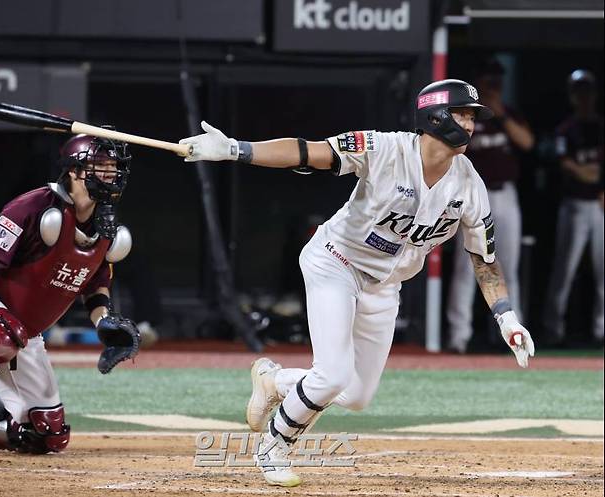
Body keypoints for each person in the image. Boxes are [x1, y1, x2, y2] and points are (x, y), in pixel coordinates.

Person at [179, 78, 536, 487]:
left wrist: (507, 318)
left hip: (385, 286)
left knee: (356, 396)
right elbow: (309, 151)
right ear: (435, 115)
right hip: (336, 262)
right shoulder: (383, 148)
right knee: (331, 376)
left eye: (474, 117)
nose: (471, 125)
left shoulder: (469, 183)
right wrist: (234, 149)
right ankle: (275, 446)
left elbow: (484, 260)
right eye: (464, 114)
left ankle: (274, 381)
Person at [0, 133, 140, 453]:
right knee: (1, 337)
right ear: (75, 172)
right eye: (100, 166)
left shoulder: (106, 228)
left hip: (26, 332)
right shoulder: (34, 207)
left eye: (112, 167)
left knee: (47, 435)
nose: (109, 174)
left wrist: (104, 322)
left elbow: (94, 284)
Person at [446, 57, 535, 353]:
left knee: (507, 266)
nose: (494, 85)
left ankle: (515, 335)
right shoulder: (468, 117)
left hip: (505, 194)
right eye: (488, 80)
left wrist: (502, 115)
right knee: (467, 266)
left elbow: (527, 143)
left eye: (497, 80)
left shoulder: (507, 113)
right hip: (470, 196)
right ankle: (459, 336)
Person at [544, 69, 604, 346]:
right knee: (564, 269)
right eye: (579, 92)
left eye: (588, 91)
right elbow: (567, 165)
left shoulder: (601, 126)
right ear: (572, 96)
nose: (584, 97)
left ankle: (600, 331)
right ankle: (553, 330)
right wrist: (587, 172)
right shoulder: (565, 130)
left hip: (600, 206)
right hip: (575, 205)